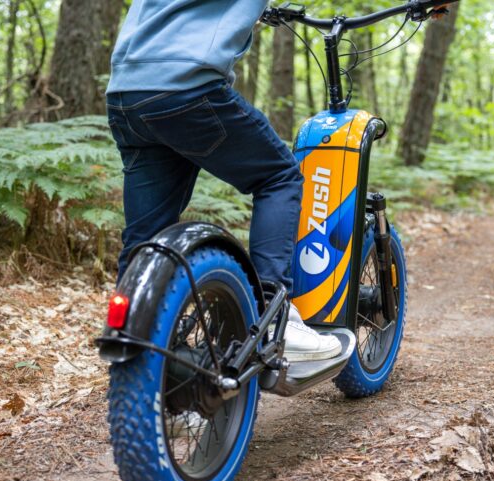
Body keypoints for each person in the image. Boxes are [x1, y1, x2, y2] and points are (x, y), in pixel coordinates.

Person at [106, 0, 340, 362]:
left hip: (126, 94)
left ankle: (137, 350)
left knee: (147, 238)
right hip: (185, 89)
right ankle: (274, 318)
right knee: (278, 176)